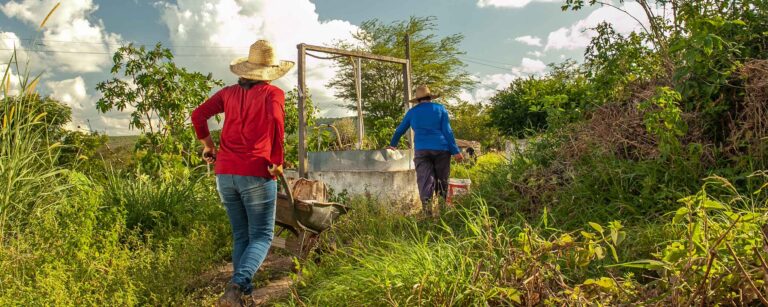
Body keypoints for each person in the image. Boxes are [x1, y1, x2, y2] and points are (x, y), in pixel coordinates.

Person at [191, 40, 293, 307]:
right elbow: (276, 121)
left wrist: (209, 146)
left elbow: (198, 115)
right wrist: (276, 160)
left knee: (241, 236)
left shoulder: (227, 94)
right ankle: (236, 287)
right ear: (269, 72)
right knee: (261, 236)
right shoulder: (273, 94)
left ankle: (242, 297)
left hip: (225, 174)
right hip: (257, 172)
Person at [388, 85, 463, 217]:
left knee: (425, 181)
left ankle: (427, 213)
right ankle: (443, 212)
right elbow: (447, 131)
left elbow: (400, 130)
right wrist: (455, 151)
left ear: (417, 100)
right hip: (442, 149)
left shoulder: (412, 112)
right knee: (442, 180)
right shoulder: (440, 109)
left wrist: (392, 145)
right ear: (430, 97)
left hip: (422, 150)